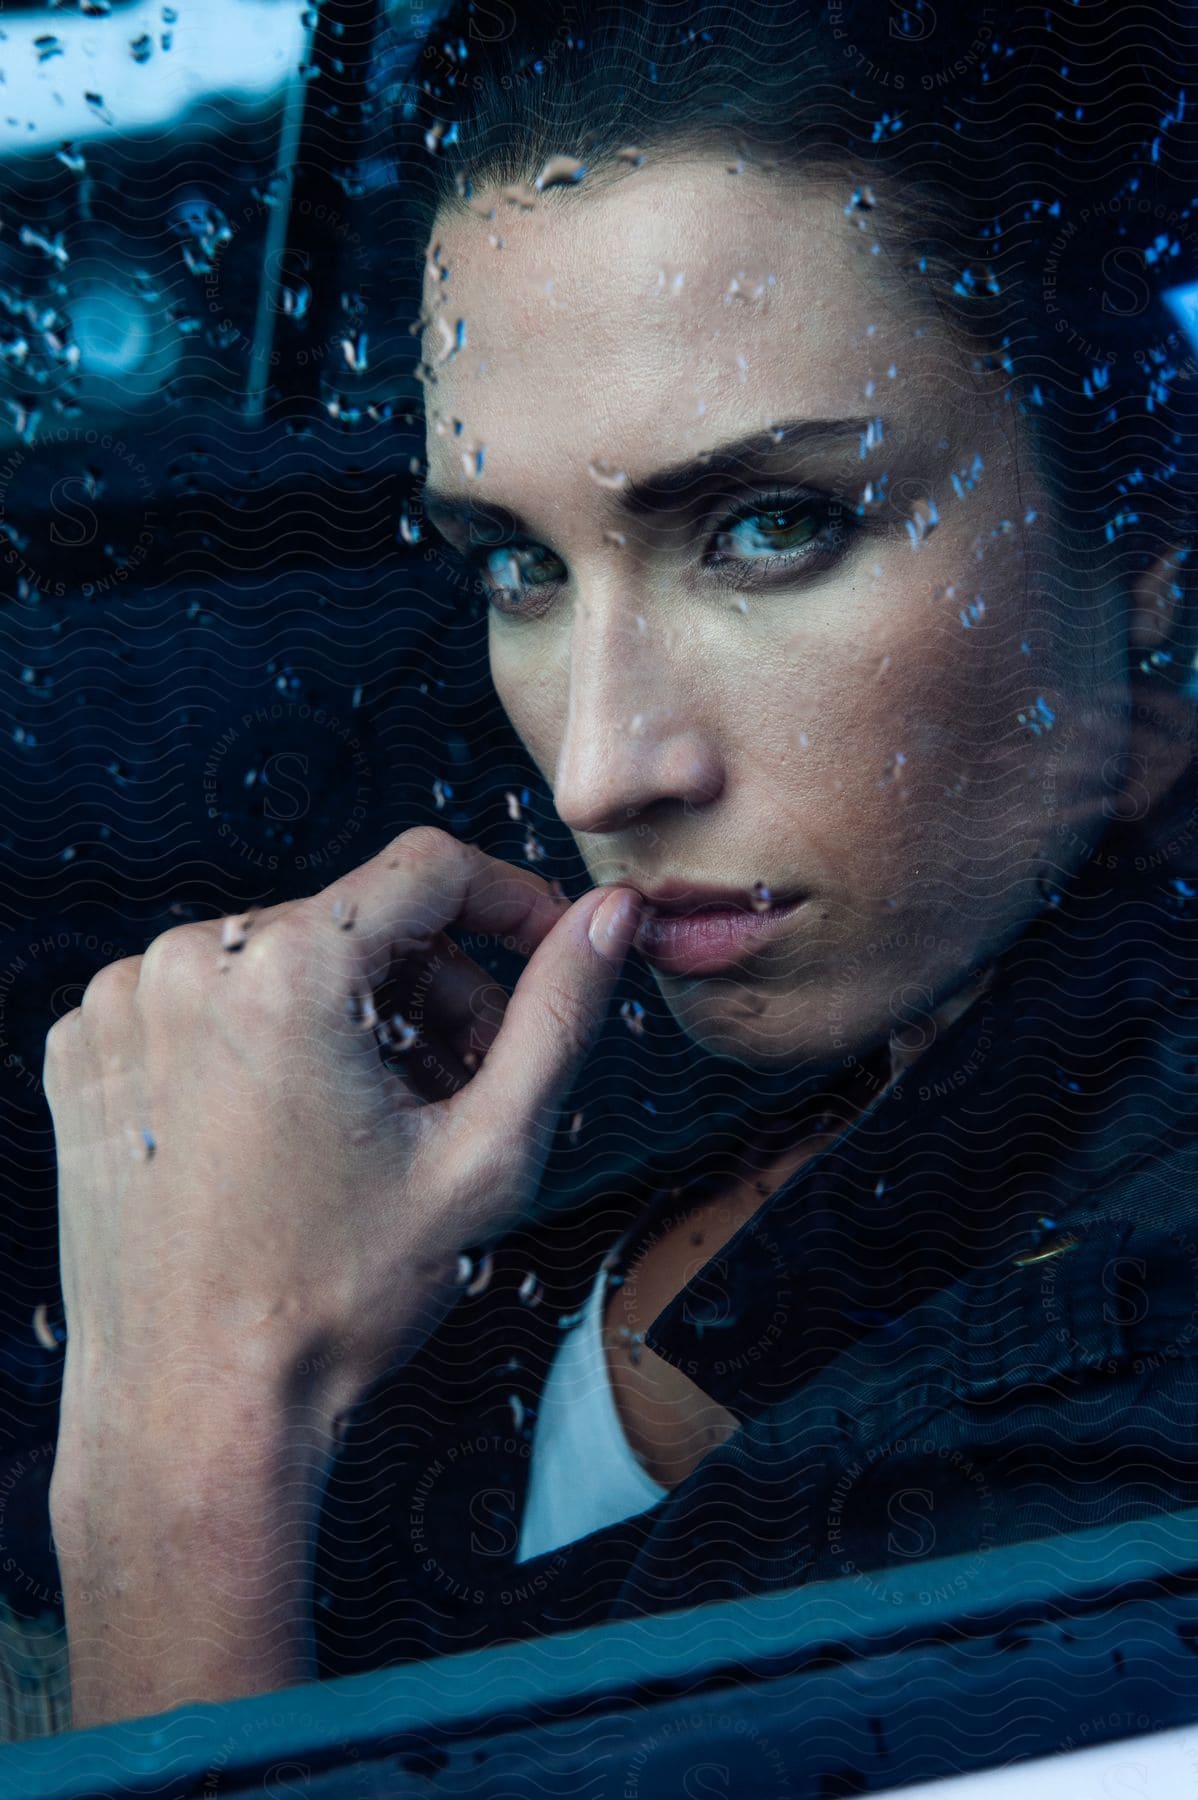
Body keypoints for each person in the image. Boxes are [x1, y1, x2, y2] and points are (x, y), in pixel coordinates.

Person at [38, 0, 1198, 1736]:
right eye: (516, 564)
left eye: (770, 526)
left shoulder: (1121, 1421)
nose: (601, 766)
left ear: (1143, 566)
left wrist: (196, 1434)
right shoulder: (649, 1000)